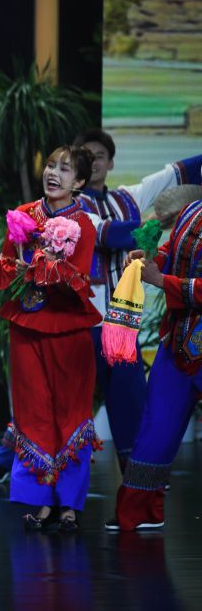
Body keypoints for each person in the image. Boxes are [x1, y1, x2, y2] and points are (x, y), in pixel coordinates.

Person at [0, 132, 202, 483]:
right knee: (53, 399)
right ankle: (10, 461)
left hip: (118, 323)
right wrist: (156, 224)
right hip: (77, 323)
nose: (93, 161)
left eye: (99, 156)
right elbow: (109, 235)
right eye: (86, 156)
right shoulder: (71, 208)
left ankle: (135, 478)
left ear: (109, 163)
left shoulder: (127, 197)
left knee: (129, 400)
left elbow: (174, 173)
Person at [0, 146, 100, 531]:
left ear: (79, 181)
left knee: (71, 412)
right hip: (27, 325)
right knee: (32, 410)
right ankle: (40, 502)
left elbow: (79, 282)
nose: (54, 173)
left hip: (68, 329)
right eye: (51, 165)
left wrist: (48, 267)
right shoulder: (24, 214)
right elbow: (1, 265)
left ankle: (69, 503)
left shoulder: (84, 225)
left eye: (65, 169)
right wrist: (12, 267)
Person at [107, 198, 202, 531]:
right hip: (179, 340)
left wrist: (161, 281)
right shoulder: (192, 210)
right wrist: (149, 261)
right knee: (156, 427)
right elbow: (172, 253)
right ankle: (140, 511)